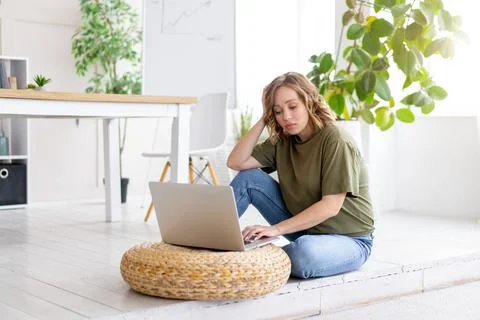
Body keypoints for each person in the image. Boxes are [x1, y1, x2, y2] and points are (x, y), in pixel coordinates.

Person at [227, 72, 374, 279]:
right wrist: (263, 119)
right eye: (278, 111)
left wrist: (275, 230)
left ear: (309, 102)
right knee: (249, 177)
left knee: (304, 254)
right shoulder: (283, 140)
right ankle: (208, 239)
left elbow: (331, 205)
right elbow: (236, 162)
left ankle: (254, 259)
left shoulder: (335, 140)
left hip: (350, 240)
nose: (286, 117)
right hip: (306, 228)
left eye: (293, 107)